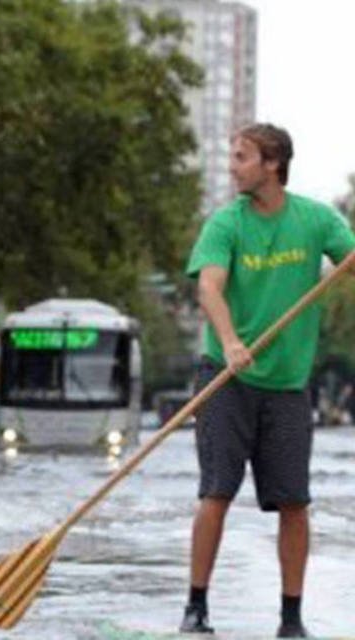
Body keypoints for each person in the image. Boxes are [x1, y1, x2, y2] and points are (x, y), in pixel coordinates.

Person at [180, 123, 355, 638]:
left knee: (294, 501)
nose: (233, 165)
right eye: (233, 156)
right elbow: (209, 289)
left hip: (287, 385)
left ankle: (292, 619)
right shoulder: (225, 224)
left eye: (241, 157)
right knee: (217, 492)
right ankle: (196, 610)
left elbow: (348, 256)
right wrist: (231, 341)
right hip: (226, 379)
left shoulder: (316, 220)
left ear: (272, 164)